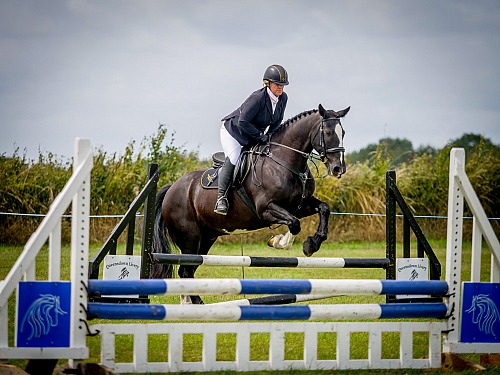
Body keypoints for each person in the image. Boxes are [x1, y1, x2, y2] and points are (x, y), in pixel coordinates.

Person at [214, 64, 289, 215]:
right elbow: (243, 122)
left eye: (283, 85)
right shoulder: (258, 98)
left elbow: (276, 123)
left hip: (251, 134)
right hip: (233, 131)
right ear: (267, 83)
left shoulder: (283, 99)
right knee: (234, 157)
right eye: (277, 84)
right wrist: (261, 137)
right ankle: (221, 198)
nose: (280, 88)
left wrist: (270, 139)